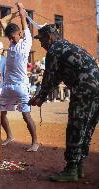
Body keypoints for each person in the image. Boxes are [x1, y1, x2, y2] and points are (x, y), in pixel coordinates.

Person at [29, 24, 99, 182]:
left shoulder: (55, 50)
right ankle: (79, 165)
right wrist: (42, 96)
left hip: (84, 89)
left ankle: (71, 169)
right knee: (86, 126)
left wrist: (40, 97)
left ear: (49, 37)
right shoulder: (69, 46)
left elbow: (49, 77)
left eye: (41, 40)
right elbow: (58, 76)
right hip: (96, 88)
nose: (41, 44)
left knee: (76, 126)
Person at [0, 2, 39, 152]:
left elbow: (24, 19)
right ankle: (9, 136)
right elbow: (2, 21)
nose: (11, 39)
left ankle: (35, 142)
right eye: (9, 37)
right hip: (8, 86)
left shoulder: (26, 41)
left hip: (21, 86)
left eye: (13, 37)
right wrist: (15, 13)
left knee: (26, 115)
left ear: (20, 34)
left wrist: (21, 9)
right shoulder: (11, 43)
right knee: (1, 113)